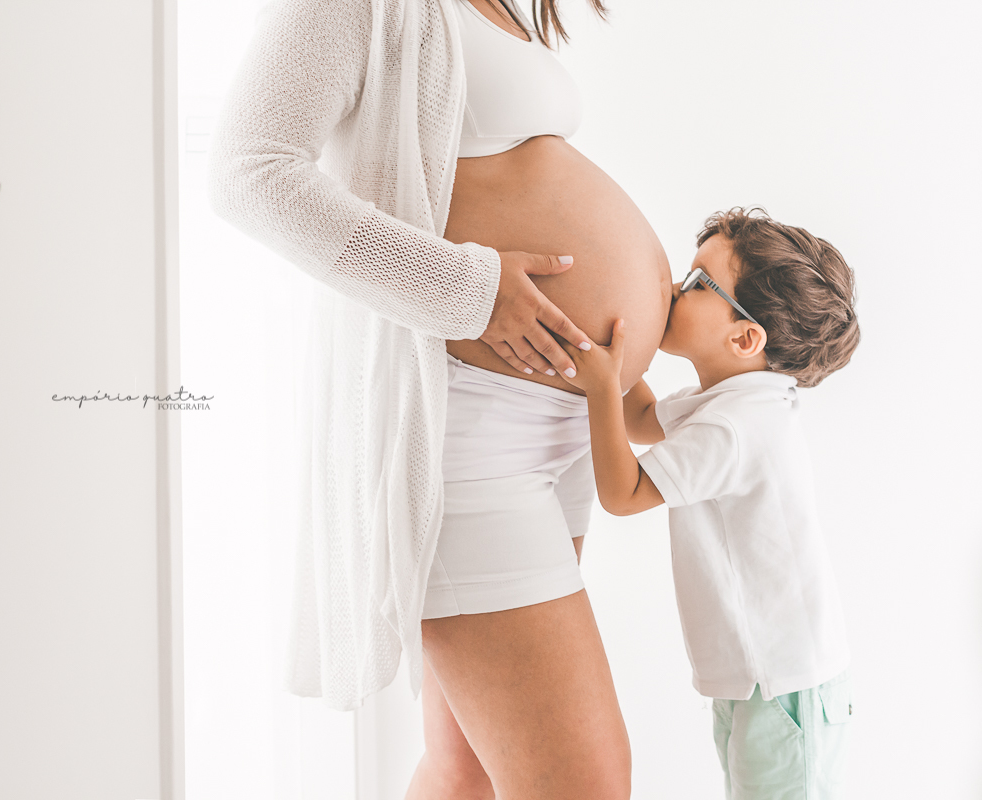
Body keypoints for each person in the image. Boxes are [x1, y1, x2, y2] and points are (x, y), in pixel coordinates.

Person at [206, 0, 672, 797]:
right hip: (468, 426)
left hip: (558, 421)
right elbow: (249, 173)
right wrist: (470, 290)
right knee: (581, 781)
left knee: (467, 771)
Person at [555, 207, 861, 799]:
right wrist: (611, 350)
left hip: (783, 689)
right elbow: (643, 419)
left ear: (744, 338)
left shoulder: (735, 427)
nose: (673, 289)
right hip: (763, 682)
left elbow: (624, 494)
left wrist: (599, 386)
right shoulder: (732, 400)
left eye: (698, 283)